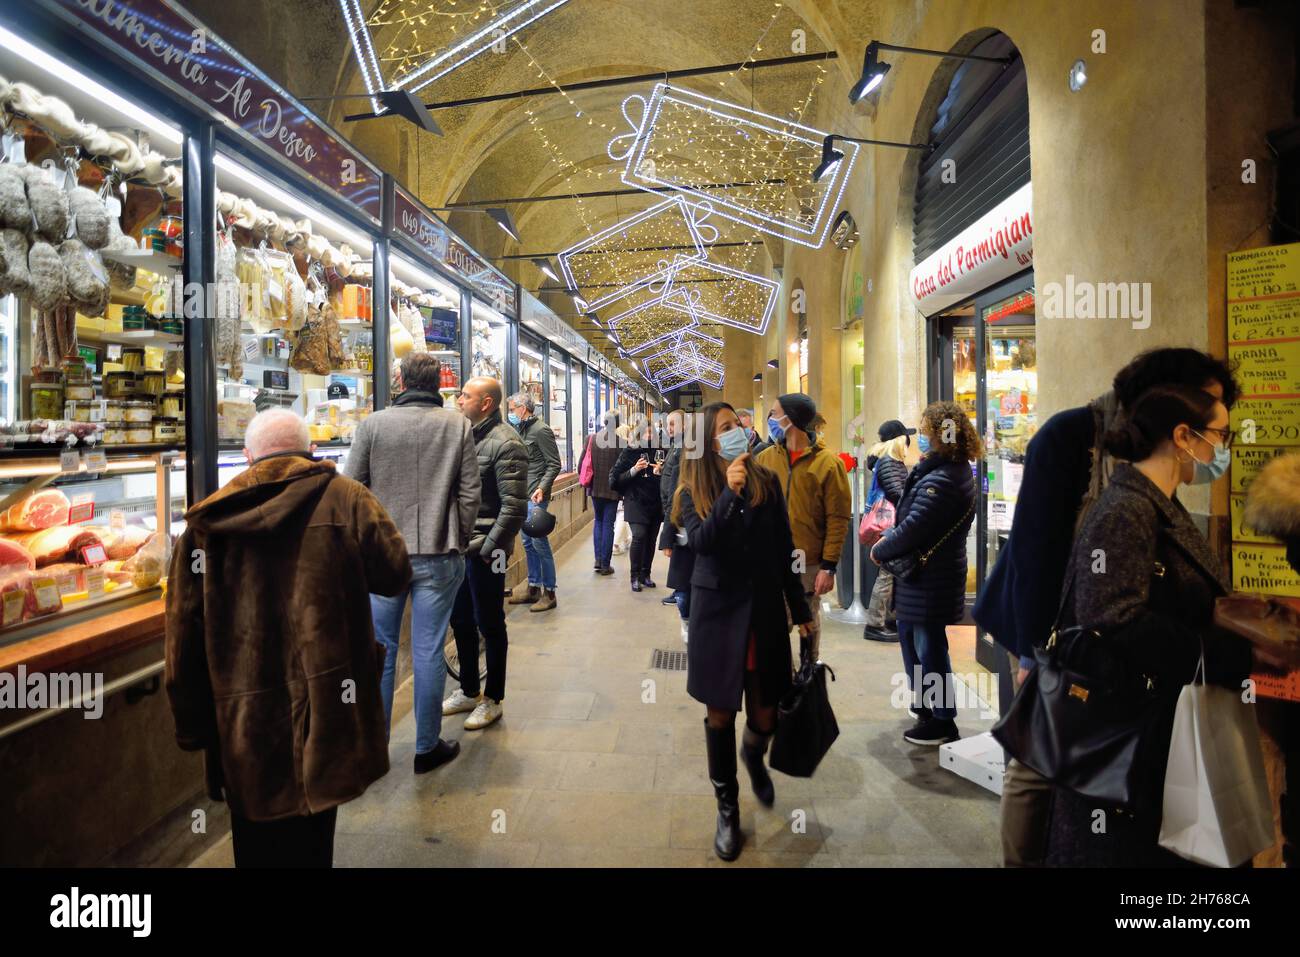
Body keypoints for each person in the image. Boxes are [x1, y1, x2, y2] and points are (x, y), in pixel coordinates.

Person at [973, 348, 1239, 867]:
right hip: (1044, 621)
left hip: (1094, 632)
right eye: (1206, 406)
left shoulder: (1156, 466)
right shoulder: (1073, 435)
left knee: (1081, 760)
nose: (1215, 429)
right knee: (1038, 757)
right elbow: (1033, 548)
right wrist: (1031, 652)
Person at [165, 409, 410, 867]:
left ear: (246, 456)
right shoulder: (348, 499)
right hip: (328, 716)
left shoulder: (204, 526)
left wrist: (192, 724)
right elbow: (395, 574)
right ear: (311, 451)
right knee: (316, 841)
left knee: (254, 845)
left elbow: (182, 639)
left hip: (244, 725)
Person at [1044, 384, 1267, 867]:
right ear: (1183, 436)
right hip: (1128, 739)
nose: (1224, 450)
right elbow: (1112, 615)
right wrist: (1221, 655)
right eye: (1221, 435)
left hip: (1153, 730)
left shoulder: (1157, 501)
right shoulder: (1127, 508)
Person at [675, 402, 814, 861]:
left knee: (766, 714)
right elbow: (701, 544)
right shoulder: (691, 488)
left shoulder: (766, 481)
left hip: (764, 613)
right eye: (726, 428)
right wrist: (729, 497)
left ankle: (754, 754)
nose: (738, 432)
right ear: (707, 441)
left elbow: (782, 548)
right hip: (717, 613)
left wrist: (799, 607)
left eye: (738, 424)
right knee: (719, 715)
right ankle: (727, 807)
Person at [344, 354, 480, 772]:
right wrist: (456, 534)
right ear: (438, 381)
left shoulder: (373, 425)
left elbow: (351, 488)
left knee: (380, 652)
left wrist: (369, 538)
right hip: (439, 555)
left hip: (384, 557)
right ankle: (425, 748)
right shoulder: (457, 425)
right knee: (429, 650)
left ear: (400, 380)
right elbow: (470, 493)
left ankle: (373, 749)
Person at [870, 400, 978, 747]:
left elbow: (916, 525)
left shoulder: (946, 477)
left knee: (929, 646)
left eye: (928, 430)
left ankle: (944, 720)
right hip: (921, 576)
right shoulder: (941, 468)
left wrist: (881, 547)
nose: (923, 436)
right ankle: (927, 708)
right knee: (916, 642)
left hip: (933, 578)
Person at [443, 377, 528, 731]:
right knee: (460, 620)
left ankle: (493, 699)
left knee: (490, 623)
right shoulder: (465, 436)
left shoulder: (507, 443)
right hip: (459, 546)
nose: (458, 399)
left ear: (486, 404)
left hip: (484, 551)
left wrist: (488, 548)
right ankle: (468, 689)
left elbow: (513, 507)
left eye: (465, 395)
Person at [755, 394, 851, 660]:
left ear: (792, 419)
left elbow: (838, 517)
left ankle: (808, 682)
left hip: (807, 562)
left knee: (808, 624)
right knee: (773, 629)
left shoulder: (828, 463)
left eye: (774, 414)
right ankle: (779, 685)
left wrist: (829, 566)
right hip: (771, 561)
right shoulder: (764, 459)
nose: (771, 420)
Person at [505, 392, 562, 612]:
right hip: (522, 496)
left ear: (523, 408)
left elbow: (554, 464)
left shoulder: (541, 430)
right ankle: (533, 587)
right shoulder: (520, 430)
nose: (510, 413)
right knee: (528, 543)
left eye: (512, 409)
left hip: (536, 496)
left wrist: (542, 487)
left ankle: (550, 592)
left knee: (539, 543)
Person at [862, 419, 916, 641]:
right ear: (898, 439)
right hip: (891, 524)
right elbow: (897, 493)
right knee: (888, 572)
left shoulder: (885, 461)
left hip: (890, 523)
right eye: (906, 437)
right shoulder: (890, 462)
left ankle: (886, 620)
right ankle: (875, 624)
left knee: (891, 572)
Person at [610, 416, 665, 592]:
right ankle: (634, 576)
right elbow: (614, 480)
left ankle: (645, 574)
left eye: (651, 432)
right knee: (639, 536)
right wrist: (634, 470)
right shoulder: (629, 452)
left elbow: (668, 476)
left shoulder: (660, 450)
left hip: (655, 501)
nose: (649, 435)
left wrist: (660, 472)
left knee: (651, 539)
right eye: (646, 432)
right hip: (636, 501)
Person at [657, 410, 693, 642]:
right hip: (678, 520)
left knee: (685, 580)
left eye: (672, 424)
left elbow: (675, 494)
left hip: (681, 522)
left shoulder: (684, 448)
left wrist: (667, 534)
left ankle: (688, 622)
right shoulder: (679, 445)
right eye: (667, 424)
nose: (669, 428)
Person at [577, 412, 622, 576]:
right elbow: (622, 469)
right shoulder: (620, 442)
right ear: (617, 424)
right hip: (612, 490)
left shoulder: (591, 438)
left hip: (595, 489)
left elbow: (581, 464)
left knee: (598, 521)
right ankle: (605, 564)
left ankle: (597, 560)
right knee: (608, 525)